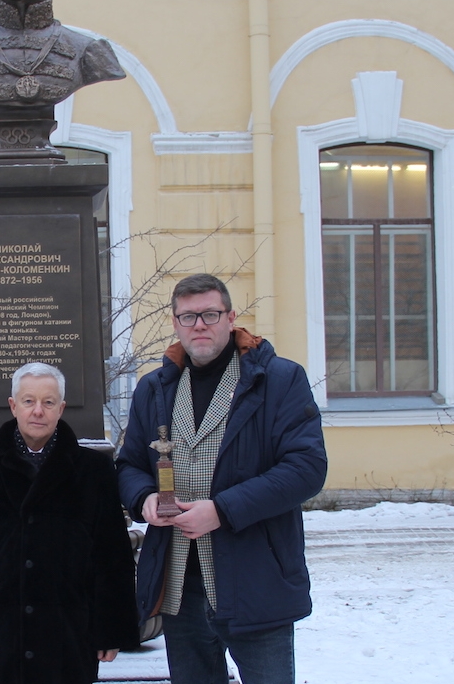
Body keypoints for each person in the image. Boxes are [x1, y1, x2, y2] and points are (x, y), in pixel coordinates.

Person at [116, 274, 328, 684]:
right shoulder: (154, 389)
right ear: (175, 322)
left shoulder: (279, 380)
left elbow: (306, 468)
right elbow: (128, 466)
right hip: (179, 586)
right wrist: (142, 498)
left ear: (230, 318)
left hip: (255, 579)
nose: (199, 325)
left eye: (210, 314)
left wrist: (222, 511)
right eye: (188, 316)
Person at [0, 362, 138, 684]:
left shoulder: (94, 472)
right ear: (14, 406)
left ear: (61, 408)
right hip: (5, 637)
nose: (38, 411)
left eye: (48, 402)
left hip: (69, 636)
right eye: (28, 401)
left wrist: (111, 630)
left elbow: (112, 556)